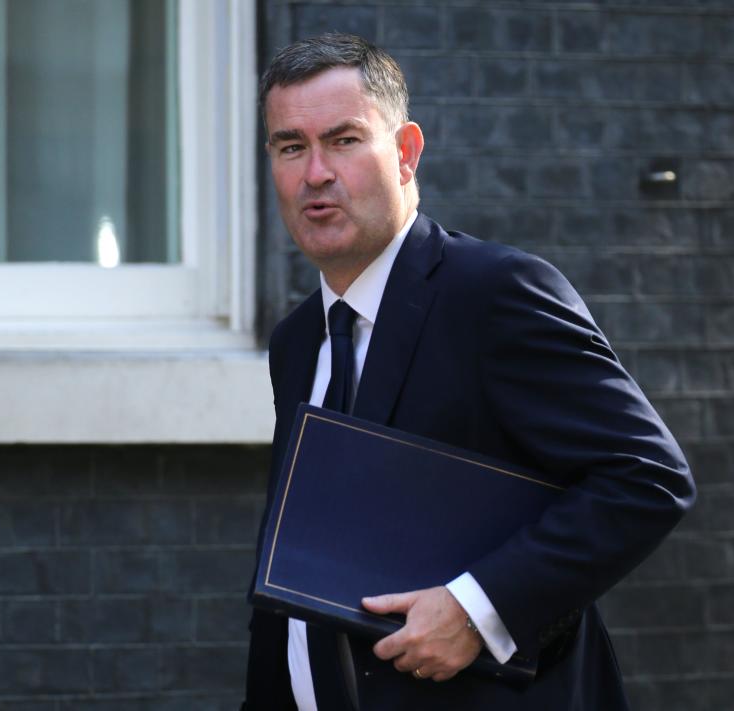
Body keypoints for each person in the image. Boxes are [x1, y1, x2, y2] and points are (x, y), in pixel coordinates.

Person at [244, 33, 695, 711]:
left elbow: (647, 476)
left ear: (405, 153)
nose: (315, 173)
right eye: (290, 146)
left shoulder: (495, 294)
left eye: (343, 140)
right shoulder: (297, 341)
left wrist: (477, 608)